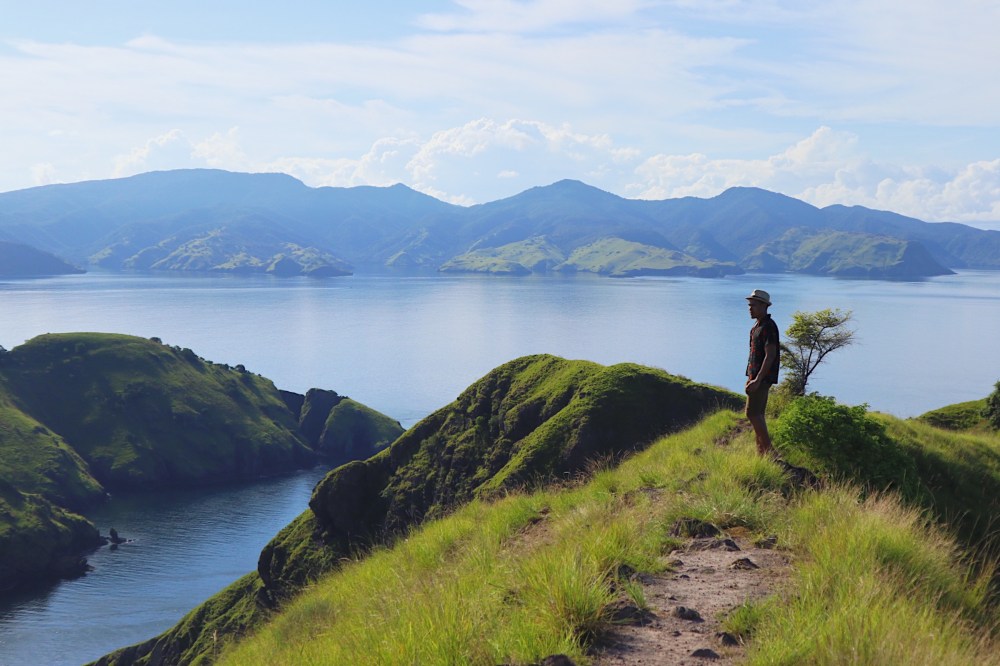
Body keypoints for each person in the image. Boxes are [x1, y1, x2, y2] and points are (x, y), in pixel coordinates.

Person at [744, 289, 779, 457]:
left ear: (764, 306)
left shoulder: (768, 326)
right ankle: (762, 452)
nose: (750, 308)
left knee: (752, 413)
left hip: (762, 378)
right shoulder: (757, 327)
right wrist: (750, 377)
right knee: (757, 413)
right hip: (757, 377)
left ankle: (769, 451)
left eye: (754, 305)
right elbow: (754, 355)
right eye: (750, 305)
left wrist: (758, 379)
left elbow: (770, 354)